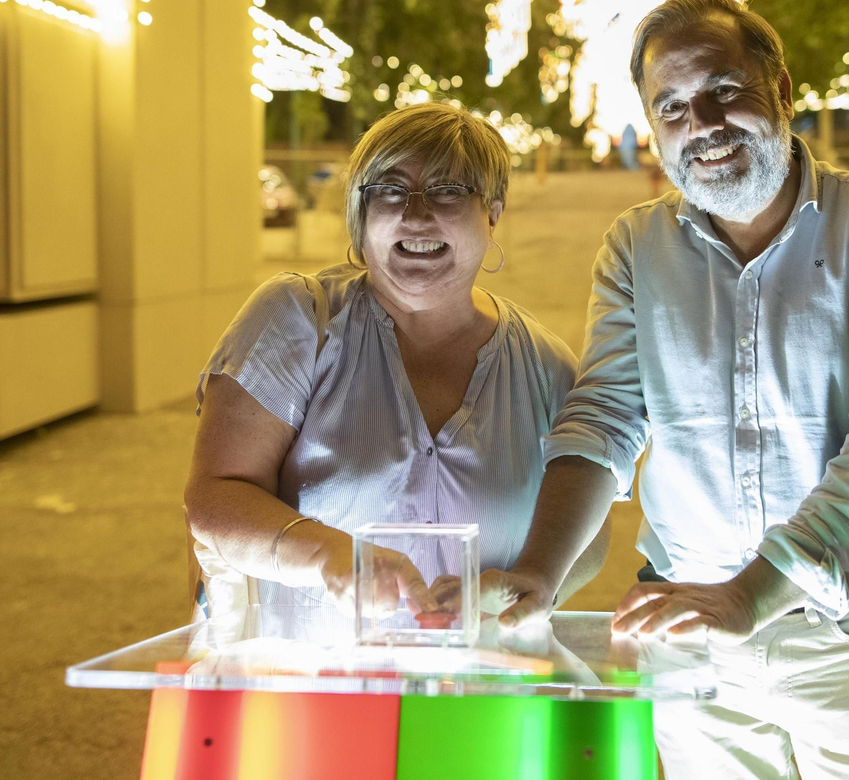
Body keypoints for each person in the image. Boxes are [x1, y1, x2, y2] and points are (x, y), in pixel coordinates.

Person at [482, 0, 849, 779]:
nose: (702, 123)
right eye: (671, 106)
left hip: (842, 630)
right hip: (685, 633)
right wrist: (539, 573)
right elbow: (603, 421)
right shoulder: (635, 246)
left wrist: (751, 596)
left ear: (783, 92)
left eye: (725, 91)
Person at [184, 102, 610, 624]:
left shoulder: (545, 368)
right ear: (361, 213)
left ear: (493, 211)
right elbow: (214, 497)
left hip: (478, 692)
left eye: (449, 190)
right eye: (389, 189)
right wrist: (323, 553)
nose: (416, 213)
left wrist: (522, 595)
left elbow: (588, 539)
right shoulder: (296, 321)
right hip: (318, 689)